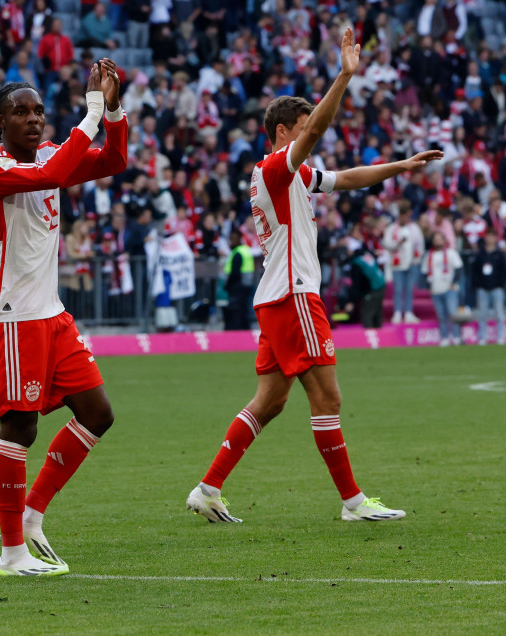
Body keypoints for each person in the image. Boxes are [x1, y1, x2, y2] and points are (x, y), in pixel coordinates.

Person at [186, 30, 442, 524]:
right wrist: (345, 75)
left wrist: (403, 165)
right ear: (283, 132)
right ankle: (352, 503)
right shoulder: (273, 170)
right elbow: (318, 134)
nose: (309, 135)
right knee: (328, 397)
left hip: (277, 296)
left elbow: (346, 177)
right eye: (301, 129)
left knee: (269, 402)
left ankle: (208, 488)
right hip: (294, 294)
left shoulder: (296, 175)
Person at [0, 59, 127, 576]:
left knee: (98, 413)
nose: (34, 119)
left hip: (52, 313)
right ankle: (11, 551)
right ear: (0, 122)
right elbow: (52, 173)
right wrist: (89, 111)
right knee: (18, 427)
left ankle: (34, 513)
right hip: (14, 314)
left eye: (39, 110)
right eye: (21, 112)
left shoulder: (47, 153)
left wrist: (113, 109)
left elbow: (114, 161)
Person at [382, 203, 425, 324]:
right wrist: (398, 243)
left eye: (407, 216)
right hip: (397, 265)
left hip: (412, 263)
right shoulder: (391, 229)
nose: (405, 218)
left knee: (410, 289)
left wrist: (418, 259)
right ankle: (397, 312)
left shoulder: (415, 228)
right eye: (403, 216)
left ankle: (408, 313)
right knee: (398, 289)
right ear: (399, 216)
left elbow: (420, 244)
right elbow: (386, 244)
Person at [422, 232, 463, 347]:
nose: (437, 241)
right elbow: (425, 273)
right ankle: (444, 337)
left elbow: (459, 268)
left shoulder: (451, 253)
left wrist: (453, 283)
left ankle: (456, 337)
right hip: (436, 289)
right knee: (441, 316)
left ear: (444, 241)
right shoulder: (429, 255)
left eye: (440, 239)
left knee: (452, 314)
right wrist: (429, 286)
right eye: (436, 239)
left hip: (449, 288)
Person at [472, 228, 506, 344]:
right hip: (483, 288)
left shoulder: (500, 254)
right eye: (488, 236)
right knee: (482, 314)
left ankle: (500, 336)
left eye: (492, 236)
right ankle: (482, 337)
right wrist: (478, 284)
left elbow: (505, 271)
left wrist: (500, 284)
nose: (490, 239)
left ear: (495, 238)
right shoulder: (480, 254)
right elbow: (475, 271)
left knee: (499, 313)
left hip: (497, 288)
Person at [223, 232, 254, 330]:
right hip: (247, 284)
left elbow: (235, 273)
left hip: (237, 286)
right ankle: (246, 330)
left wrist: (227, 285)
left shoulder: (237, 253)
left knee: (237, 311)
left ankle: (237, 332)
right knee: (244, 310)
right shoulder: (245, 250)